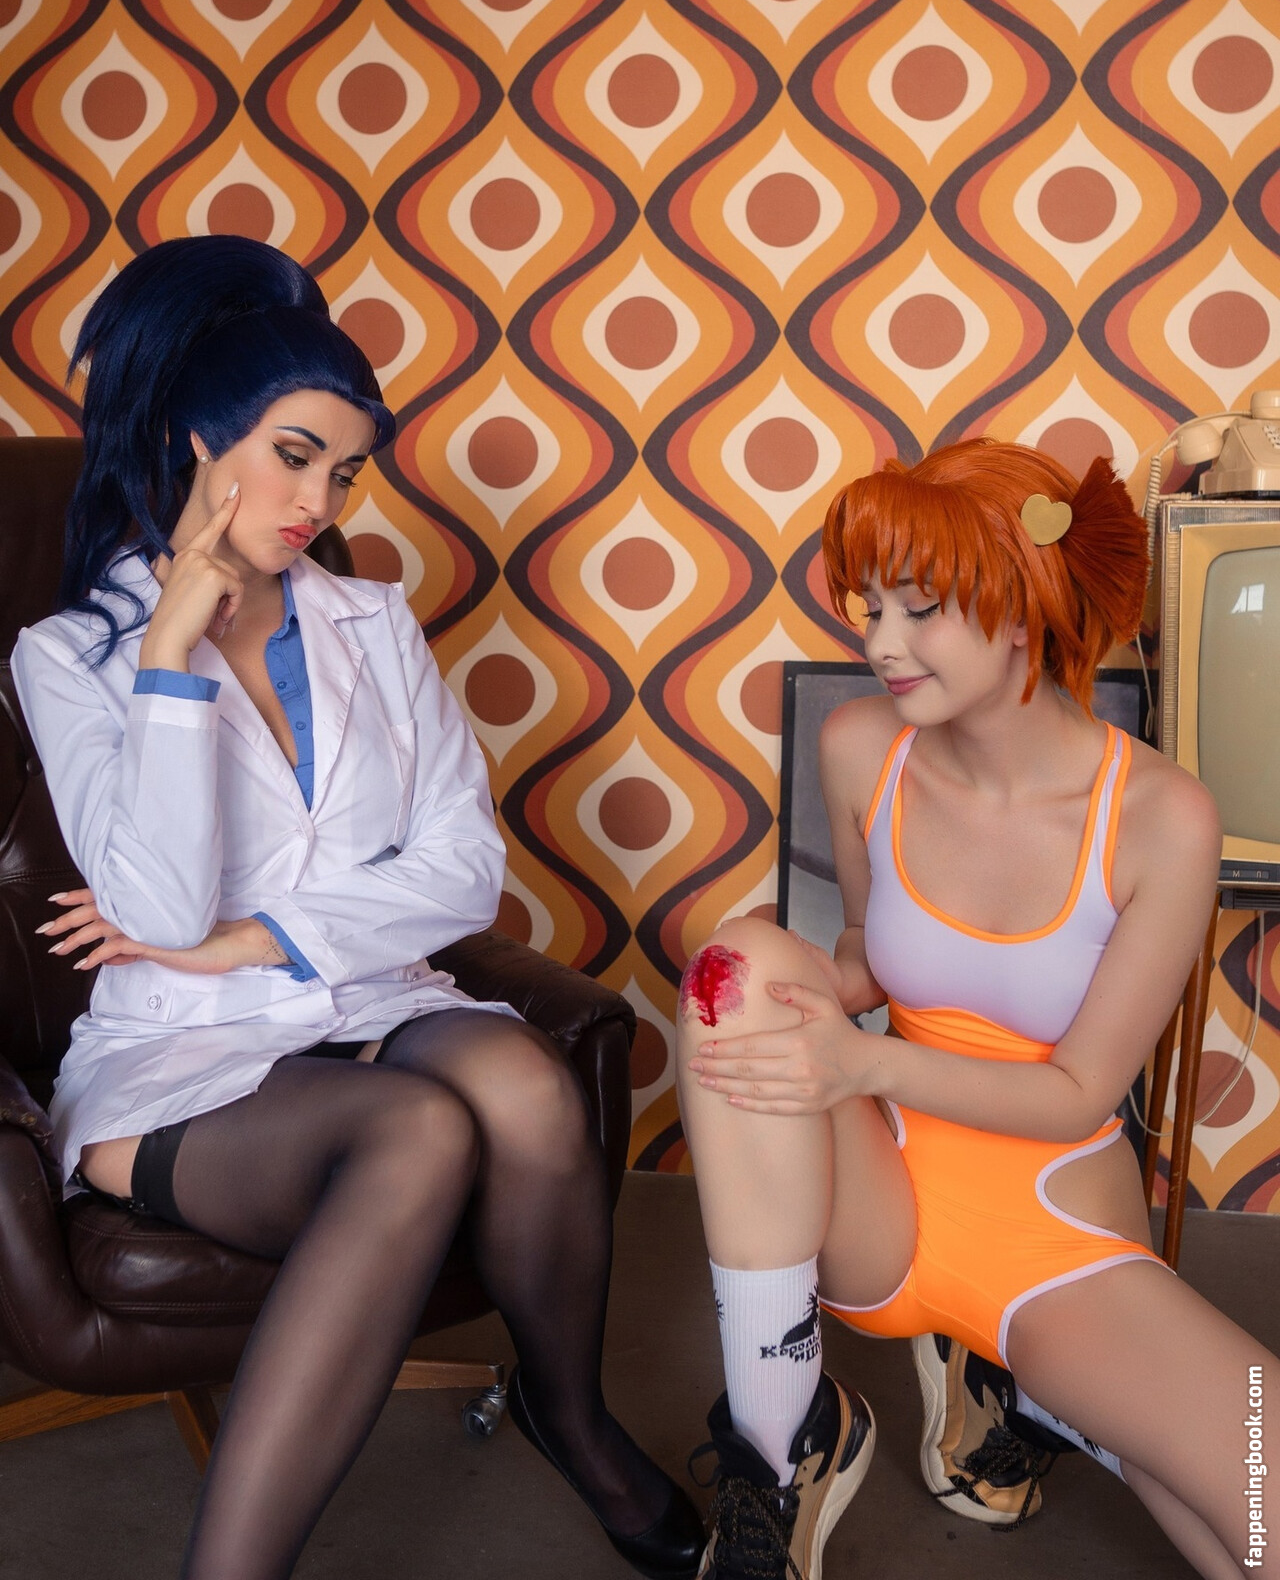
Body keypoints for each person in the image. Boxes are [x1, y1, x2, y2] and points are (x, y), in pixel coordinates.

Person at [15, 236, 703, 1580]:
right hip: (182, 1054)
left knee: (525, 1080)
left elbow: (460, 869)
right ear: (196, 437)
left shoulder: (370, 622)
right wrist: (171, 653)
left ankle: (570, 1417)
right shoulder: (73, 654)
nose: (317, 500)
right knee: (418, 1131)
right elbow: (155, 902)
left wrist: (254, 935)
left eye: (343, 471)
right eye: (293, 456)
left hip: (361, 991)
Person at [677, 439, 1277, 1580]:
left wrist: (860, 1066)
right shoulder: (863, 748)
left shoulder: (1162, 817)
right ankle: (784, 1440)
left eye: (920, 608)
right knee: (738, 964)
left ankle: (1025, 1388)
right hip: (884, 1197)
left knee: (1260, 1515)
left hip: (1053, 1235)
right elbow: (868, 958)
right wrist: (770, 994)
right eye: (870, 607)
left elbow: (1078, 1094)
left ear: (1019, 606)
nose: (878, 643)